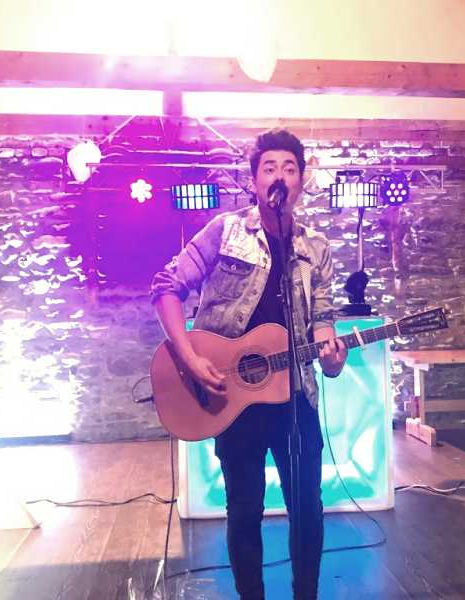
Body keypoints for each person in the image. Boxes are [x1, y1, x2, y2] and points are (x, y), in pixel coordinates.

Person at [151, 129, 348, 600]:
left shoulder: (316, 248)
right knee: (244, 509)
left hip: (295, 395)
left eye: (290, 168)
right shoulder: (226, 230)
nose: (280, 176)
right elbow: (166, 288)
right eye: (269, 167)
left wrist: (332, 358)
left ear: (302, 180)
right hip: (231, 396)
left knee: (308, 508)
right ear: (254, 180)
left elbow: (322, 323)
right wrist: (189, 357)